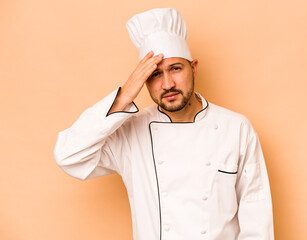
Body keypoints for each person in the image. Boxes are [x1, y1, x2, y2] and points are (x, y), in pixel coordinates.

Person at [54, 8, 274, 240]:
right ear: (143, 81)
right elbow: (68, 156)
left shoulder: (236, 129)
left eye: (175, 69)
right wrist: (123, 96)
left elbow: (256, 218)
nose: (167, 84)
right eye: (154, 74)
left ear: (194, 68)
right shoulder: (130, 135)